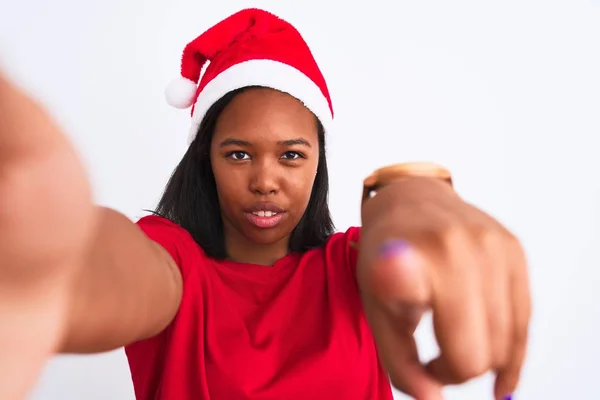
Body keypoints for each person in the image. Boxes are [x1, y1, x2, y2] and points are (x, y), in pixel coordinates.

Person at [0, 7, 531, 400]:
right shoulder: (175, 265)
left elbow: (396, 246)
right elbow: (119, 269)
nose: (264, 181)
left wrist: (408, 193)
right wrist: (54, 258)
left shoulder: (353, 269)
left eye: (292, 156)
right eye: (238, 154)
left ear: (319, 163)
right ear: (205, 159)